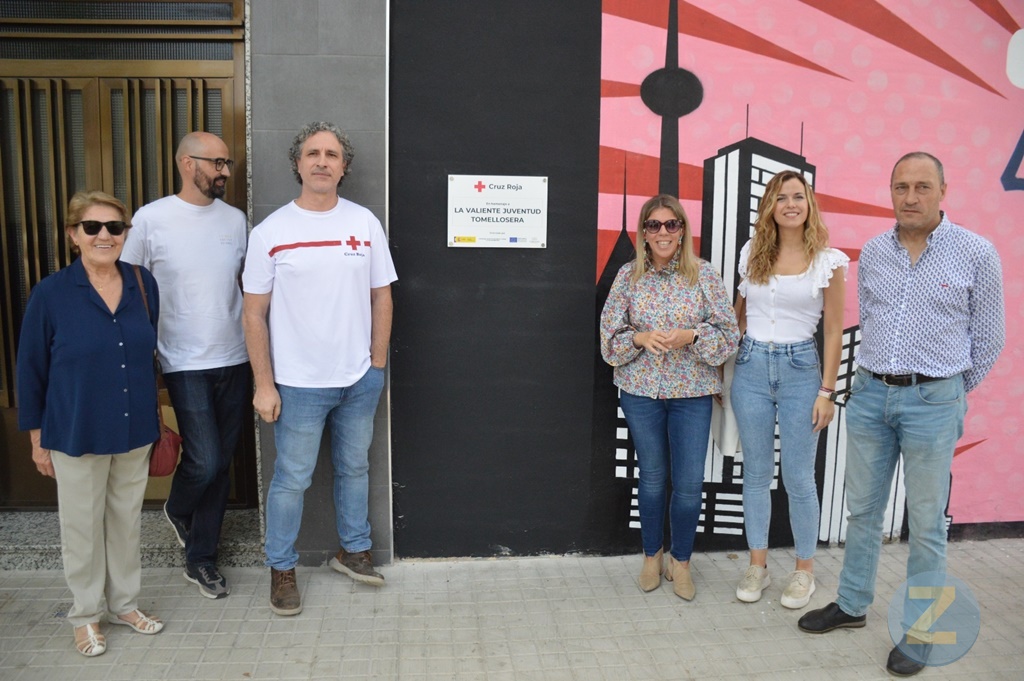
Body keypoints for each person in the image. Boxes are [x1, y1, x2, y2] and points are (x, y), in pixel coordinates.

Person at [797, 152, 1005, 677]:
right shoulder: (874, 251)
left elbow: (989, 339)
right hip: (870, 395)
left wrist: (946, 393)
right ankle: (851, 604)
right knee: (862, 511)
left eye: (921, 187)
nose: (910, 197)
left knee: (927, 523)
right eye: (901, 187)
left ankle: (923, 631)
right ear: (890, 192)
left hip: (933, 402)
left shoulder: (977, 253)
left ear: (943, 191)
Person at [242, 121, 397, 616]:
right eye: (313, 153)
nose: (322, 161)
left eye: (332, 154)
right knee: (293, 478)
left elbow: (382, 296)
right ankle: (281, 567)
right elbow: (253, 313)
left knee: (354, 468)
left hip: (358, 378)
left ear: (344, 166)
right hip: (297, 384)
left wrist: (376, 362)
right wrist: (263, 384)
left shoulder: (364, 223)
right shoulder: (271, 232)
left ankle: (353, 551)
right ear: (298, 163)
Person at [17, 191, 165, 657]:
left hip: (133, 427)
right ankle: (84, 615)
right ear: (73, 235)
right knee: (81, 527)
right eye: (92, 227)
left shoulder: (143, 284)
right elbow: (31, 368)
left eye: (114, 227)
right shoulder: (51, 293)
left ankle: (125, 603)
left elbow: (147, 350)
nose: (104, 235)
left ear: (125, 234)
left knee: (125, 524)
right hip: (76, 429)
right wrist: (38, 437)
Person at [121, 131, 251, 600]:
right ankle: (178, 506)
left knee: (220, 469)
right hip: (182, 360)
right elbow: (128, 288)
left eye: (226, 163)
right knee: (207, 458)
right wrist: (140, 355)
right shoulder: (150, 219)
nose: (222, 171)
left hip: (236, 357)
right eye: (214, 162)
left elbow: (245, 286)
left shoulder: (235, 220)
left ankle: (201, 560)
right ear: (185, 163)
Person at [600, 194, 739, 600]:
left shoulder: (704, 275)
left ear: (682, 231)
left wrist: (691, 335)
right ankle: (650, 556)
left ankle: (681, 562)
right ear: (643, 232)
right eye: (654, 225)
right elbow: (609, 340)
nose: (663, 232)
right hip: (641, 391)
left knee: (690, 483)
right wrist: (640, 338)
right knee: (654, 478)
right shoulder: (628, 277)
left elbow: (729, 335)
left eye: (671, 224)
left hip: (692, 393)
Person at [730, 171, 848, 609]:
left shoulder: (828, 260)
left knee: (799, 477)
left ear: (809, 203)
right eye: (782, 198)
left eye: (798, 196)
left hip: (802, 370)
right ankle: (757, 566)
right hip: (751, 368)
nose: (791, 204)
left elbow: (834, 331)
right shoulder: (752, 253)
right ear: (770, 207)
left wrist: (827, 391)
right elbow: (738, 317)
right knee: (757, 475)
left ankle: (803, 572)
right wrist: (723, 373)